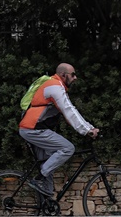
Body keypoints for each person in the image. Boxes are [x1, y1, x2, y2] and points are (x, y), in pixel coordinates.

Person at [18, 62, 100, 196]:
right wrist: (87, 130)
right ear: (63, 75)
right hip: (33, 129)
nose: (75, 78)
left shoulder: (55, 86)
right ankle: (38, 179)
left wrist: (88, 127)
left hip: (35, 129)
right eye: (72, 75)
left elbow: (69, 112)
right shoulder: (54, 87)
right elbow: (69, 110)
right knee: (67, 148)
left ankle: (47, 202)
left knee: (47, 164)